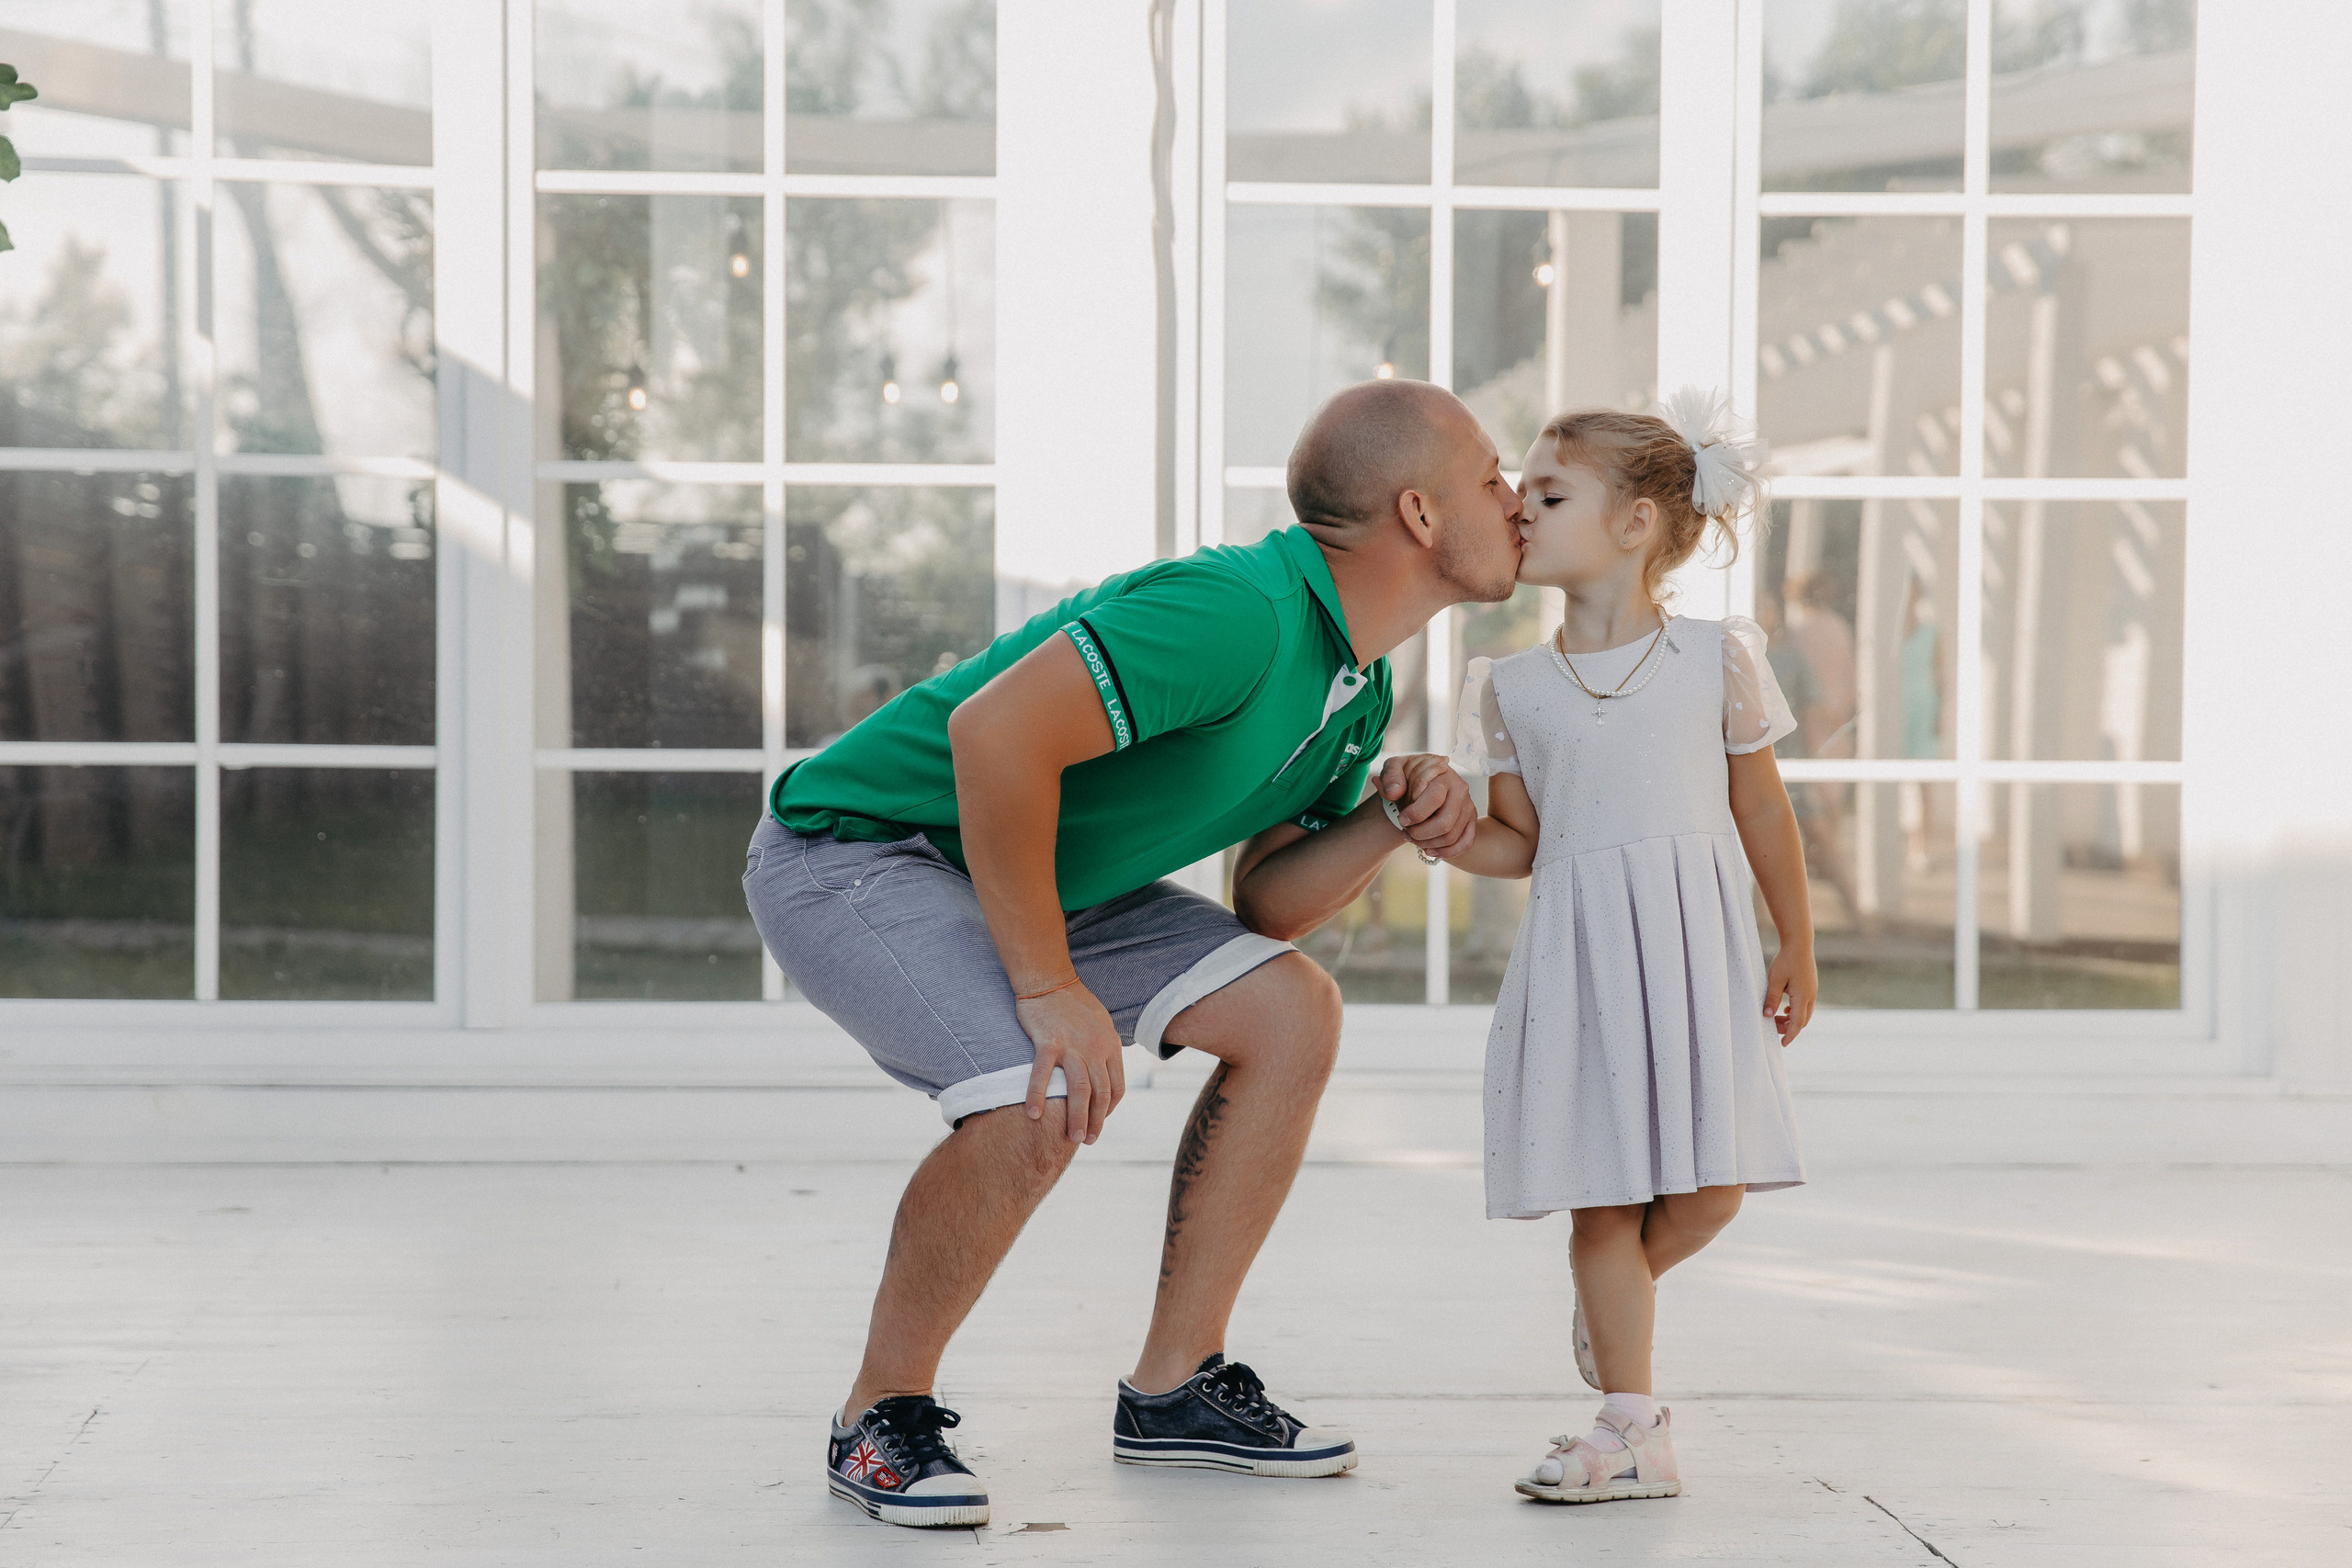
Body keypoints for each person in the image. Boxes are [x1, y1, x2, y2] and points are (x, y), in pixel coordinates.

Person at [743, 378, 1523, 1529]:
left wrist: (1384, 823)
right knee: (1031, 1092)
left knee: (1288, 1011)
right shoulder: (1234, 611)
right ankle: (877, 1416)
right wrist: (1048, 988)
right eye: (1494, 479)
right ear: (1418, 513)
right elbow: (992, 732)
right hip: (860, 852)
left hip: (1040, 871)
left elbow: (1266, 904)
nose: (1515, 503)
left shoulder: (1360, 682)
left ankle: (1173, 1391)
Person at [1441, 389, 1815, 1505]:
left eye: (1548, 495)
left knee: (1712, 1190)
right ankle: (1630, 1430)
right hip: (1584, 958)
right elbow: (1520, 843)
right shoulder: (1508, 686)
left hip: (1700, 951)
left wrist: (1794, 937)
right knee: (1603, 1196)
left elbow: (1762, 811)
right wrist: (1451, 836)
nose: (1520, 510)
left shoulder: (1715, 659)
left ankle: (1616, 1305)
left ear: (1637, 525)